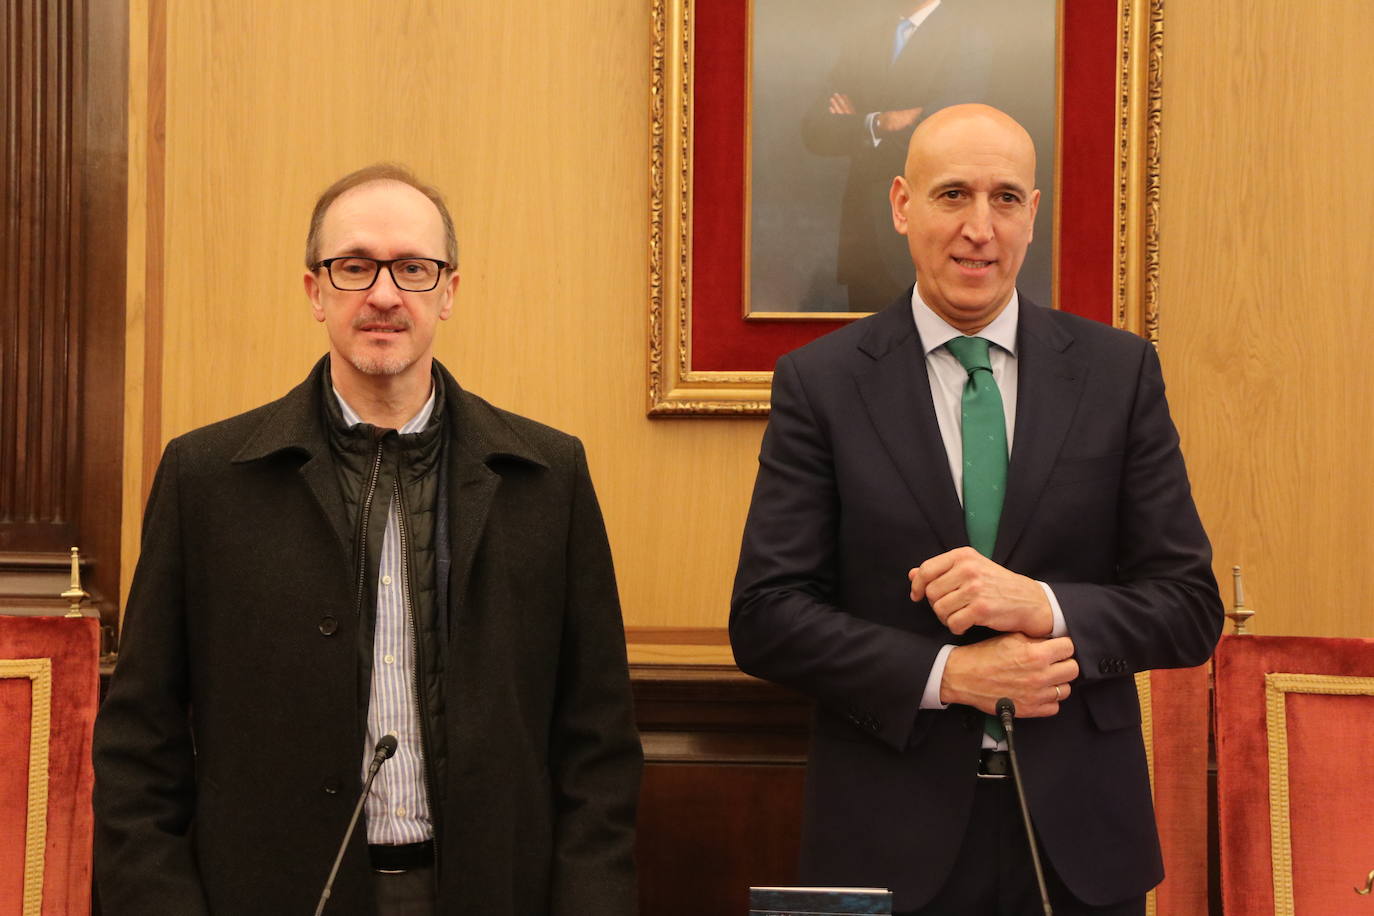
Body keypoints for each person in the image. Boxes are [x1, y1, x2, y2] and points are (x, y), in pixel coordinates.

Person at [93, 164, 642, 915]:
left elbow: (598, 746)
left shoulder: (547, 477)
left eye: (413, 268)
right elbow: (139, 744)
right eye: (354, 267)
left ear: (449, 292)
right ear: (315, 291)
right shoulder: (207, 479)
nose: (384, 294)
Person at [731, 105, 1222, 915]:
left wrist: (1046, 605)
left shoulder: (1119, 374)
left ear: (1033, 214)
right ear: (901, 205)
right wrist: (949, 676)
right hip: (886, 837)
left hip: (1081, 847)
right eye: (952, 195)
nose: (979, 229)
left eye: (1003, 199)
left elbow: (1188, 606)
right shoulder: (822, 384)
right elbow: (767, 615)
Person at [802, 0, 990, 311]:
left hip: (930, 232)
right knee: (863, 352)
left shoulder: (968, 36)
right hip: (863, 237)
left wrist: (858, 124)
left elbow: (949, 132)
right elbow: (815, 129)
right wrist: (879, 122)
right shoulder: (867, 37)